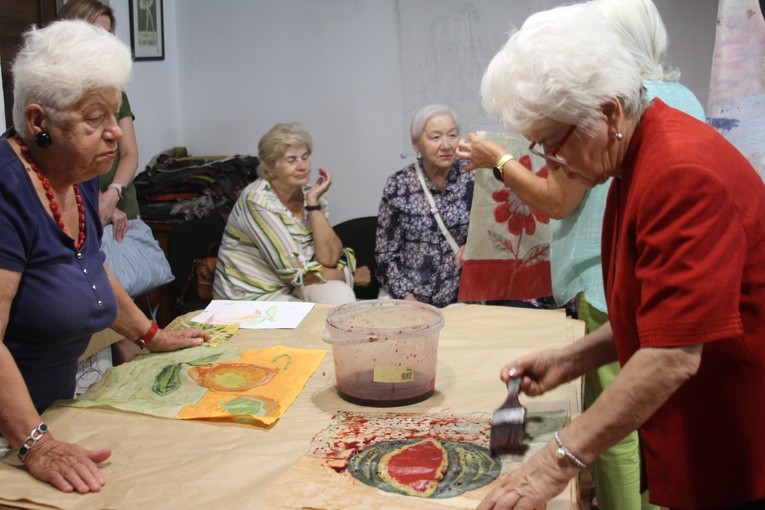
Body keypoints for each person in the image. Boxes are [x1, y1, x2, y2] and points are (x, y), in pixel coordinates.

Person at [469, 3, 765, 510]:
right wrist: (571, 358)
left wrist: (554, 464)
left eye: (551, 144)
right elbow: (662, 315)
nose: (549, 163)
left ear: (608, 114)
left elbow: (673, 353)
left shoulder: (679, 172)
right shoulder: (633, 158)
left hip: (737, 424)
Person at [0, 20, 208, 494]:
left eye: (116, 115)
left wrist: (151, 335)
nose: (115, 133)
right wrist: (36, 444)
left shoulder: (75, 173)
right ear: (38, 122)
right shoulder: (6, 188)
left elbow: (90, 267)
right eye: (96, 118)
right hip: (12, 432)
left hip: (50, 407)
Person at [213, 123, 363, 304]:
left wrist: (314, 203)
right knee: (308, 321)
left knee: (340, 295)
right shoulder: (258, 201)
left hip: (290, 287)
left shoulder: (310, 194)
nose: (302, 166)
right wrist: (349, 275)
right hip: (250, 295)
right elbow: (293, 273)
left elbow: (329, 258)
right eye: (291, 160)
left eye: (305, 157)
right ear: (270, 167)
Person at [375, 104, 473, 308]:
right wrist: (408, 299)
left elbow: (493, 231)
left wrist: (475, 248)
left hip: (460, 299)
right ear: (416, 145)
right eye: (435, 137)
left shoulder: (473, 176)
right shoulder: (399, 185)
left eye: (452, 135)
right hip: (408, 297)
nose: (446, 145)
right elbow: (385, 255)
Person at [58, 0, 139, 243]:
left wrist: (112, 195)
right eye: (96, 36)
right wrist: (96, 203)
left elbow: (129, 153)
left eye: (109, 38)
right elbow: (61, 165)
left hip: (123, 209)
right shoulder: (58, 95)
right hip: (78, 214)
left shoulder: (116, 91)